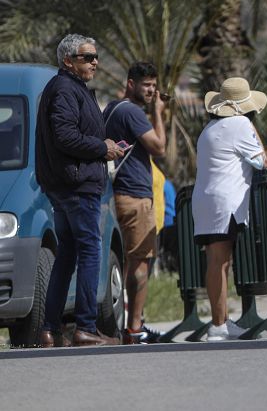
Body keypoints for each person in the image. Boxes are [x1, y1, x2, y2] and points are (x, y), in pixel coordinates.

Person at [36, 34, 124, 347]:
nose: (95, 62)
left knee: (68, 254)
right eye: (87, 57)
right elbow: (65, 136)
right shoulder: (64, 89)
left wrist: (105, 146)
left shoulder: (71, 88)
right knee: (90, 251)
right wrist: (102, 147)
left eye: (95, 56)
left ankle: (50, 328)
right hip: (76, 186)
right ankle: (85, 326)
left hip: (69, 184)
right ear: (68, 60)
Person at [192, 77, 267, 342]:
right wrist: (252, 126)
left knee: (218, 261)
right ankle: (217, 325)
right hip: (225, 203)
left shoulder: (210, 128)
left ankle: (222, 321)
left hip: (206, 201)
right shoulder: (239, 124)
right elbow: (262, 162)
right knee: (219, 261)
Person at [102, 60, 167, 344]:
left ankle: (130, 325)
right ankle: (134, 328)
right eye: (147, 85)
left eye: (154, 85)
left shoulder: (113, 110)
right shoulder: (131, 111)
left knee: (128, 261)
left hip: (120, 194)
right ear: (131, 84)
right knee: (140, 262)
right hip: (135, 196)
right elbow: (159, 147)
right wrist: (159, 114)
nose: (152, 91)